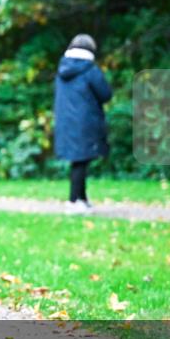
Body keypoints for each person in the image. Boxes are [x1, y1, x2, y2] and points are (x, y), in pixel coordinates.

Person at [53, 34, 112, 213]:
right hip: (85, 121)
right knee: (81, 161)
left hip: (66, 122)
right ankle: (74, 202)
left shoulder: (62, 69)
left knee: (79, 161)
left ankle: (82, 199)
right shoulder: (90, 70)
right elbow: (105, 94)